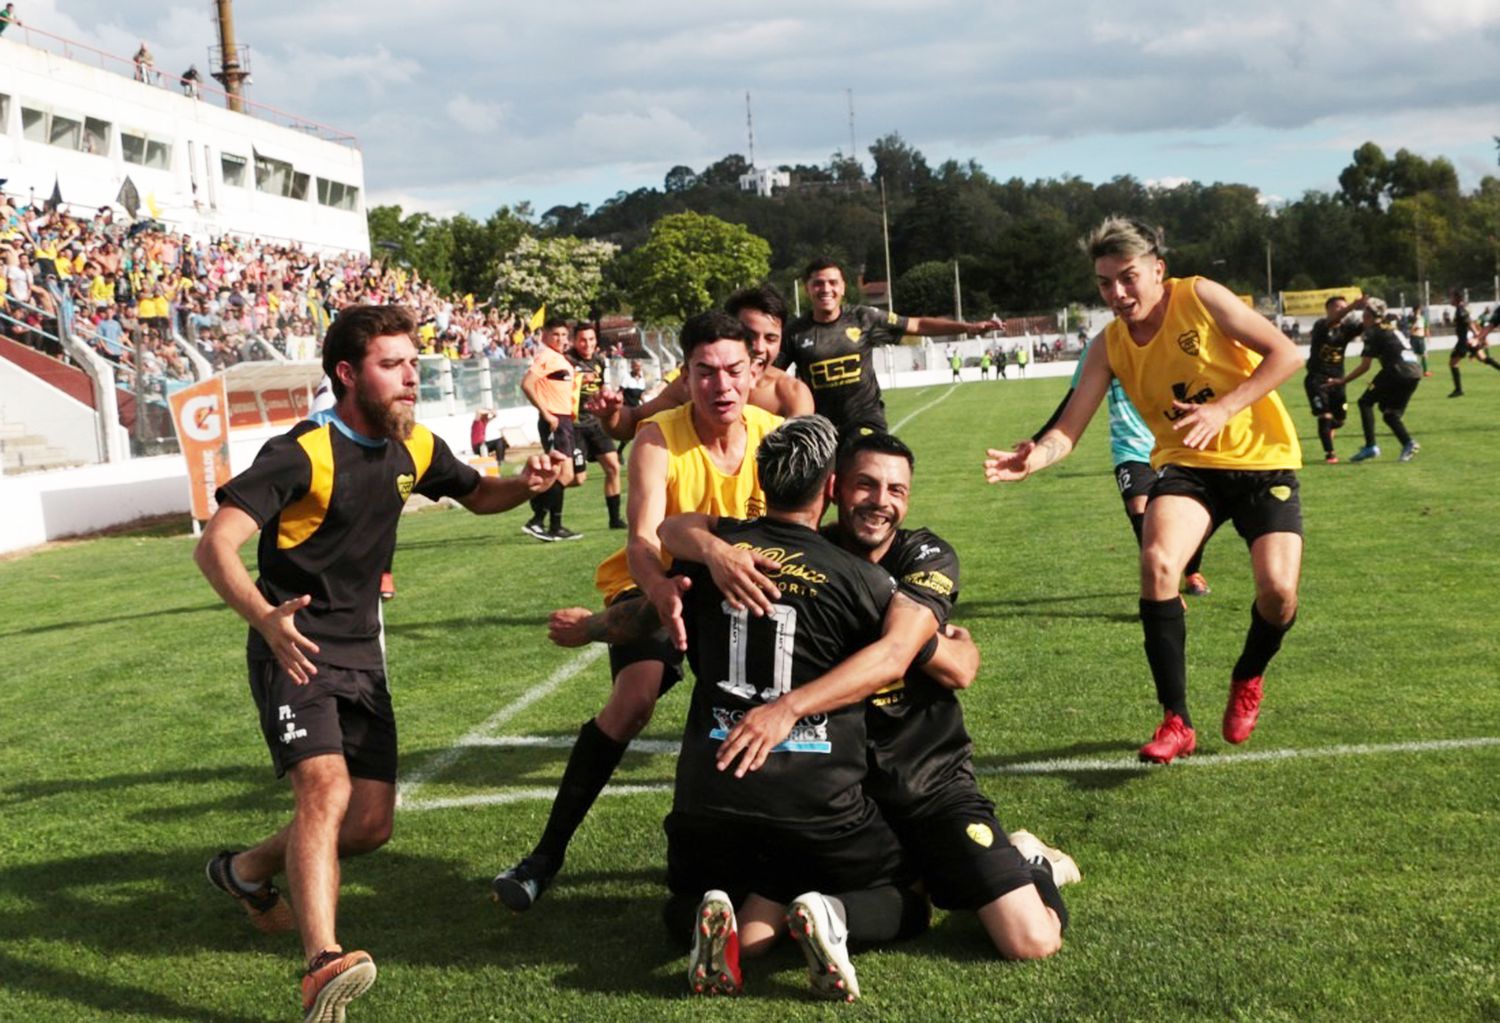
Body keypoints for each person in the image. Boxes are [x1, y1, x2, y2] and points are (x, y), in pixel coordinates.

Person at [193, 305, 563, 1023]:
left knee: (367, 826)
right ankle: (321, 962)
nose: (410, 378)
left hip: (364, 651)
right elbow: (215, 544)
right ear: (346, 373)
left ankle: (243, 871)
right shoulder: (302, 452)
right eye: (392, 365)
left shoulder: (416, 447)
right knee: (324, 793)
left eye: (413, 364)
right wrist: (265, 618)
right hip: (293, 646)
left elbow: (480, 494)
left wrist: (528, 483)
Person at [553, 416, 936, 1001]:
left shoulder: (711, 559)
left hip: (710, 801)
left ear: (760, 479)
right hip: (817, 807)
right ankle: (827, 912)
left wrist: (589, 628)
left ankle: (712, 917)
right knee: (913, 886)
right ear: (830, 489)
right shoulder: (865, 581)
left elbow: (665, 539)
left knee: (683, 904)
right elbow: (903, 658)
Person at [657, 430, 1075, 964]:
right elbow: (677, 526)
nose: (882, 502)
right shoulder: (811, 553)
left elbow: (920, 657)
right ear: (833, 488)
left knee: (1030, 942)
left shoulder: (924, 555)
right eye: (867, 485)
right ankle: (840, 906)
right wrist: (717, 553)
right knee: (758, 935)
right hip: (845, 785)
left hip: (926, 781)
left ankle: (1030, 861)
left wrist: (788, 708)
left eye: (897, 490)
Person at [985, 216, 1304, 765]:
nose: (1118, 293)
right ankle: (1176, 720)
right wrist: (1034, 457)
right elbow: (1069, 427)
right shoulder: (1108, 344)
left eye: (1128, 278)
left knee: (1277, 593)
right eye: (1106, 283)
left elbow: (1286, 353)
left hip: (1264, 463)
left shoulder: (1201, 295)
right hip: (1188, 465)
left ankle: (1249, 673)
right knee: (1158, 562)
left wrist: (1223, 408)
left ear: (1158, 269)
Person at [491, 310, 783, 911]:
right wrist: (660, 590)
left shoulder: (775, 435)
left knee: (763, 704)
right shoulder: (657, 437)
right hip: (651, 583)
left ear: (755, 372)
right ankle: (545, 855)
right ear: (686, 375)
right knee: (633, 701)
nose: (720, 386)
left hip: (732, 589)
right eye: (704, 373)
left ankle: (768, 859)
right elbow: (644, 539)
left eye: (732, 371)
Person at [1027, 335, 1212, 596]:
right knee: (1140, 509)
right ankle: (1165, 587)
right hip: (1129, 448)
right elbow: (1073, 399)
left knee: (1186, 514)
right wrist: (1037, 440)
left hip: (1172, 445)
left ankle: (1192, 571)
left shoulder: (1165, 336)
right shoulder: (1101, 347)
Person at [779, 258, 1000, 437]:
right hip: (820, 429)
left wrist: (968, 327)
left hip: (865, 421)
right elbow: (770, 377)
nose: (826, 289)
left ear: (843, 287)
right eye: (818, 283)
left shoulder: (863, 317)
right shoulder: (795, 332)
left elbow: (917, 324)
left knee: (866, 476)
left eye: (833, 282)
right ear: (807, 289)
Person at [593, 284, 812, 440]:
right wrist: (610, 414)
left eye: (771, 338)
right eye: (750, 335)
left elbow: (804, 462)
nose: (760, 347)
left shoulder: (791, 394)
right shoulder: (694, 385)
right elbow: (631, 424)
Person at [1331, 298, 1423, 463]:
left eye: (1364, 315)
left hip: (1397, 370)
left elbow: (1365, 366)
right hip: (1414, 372)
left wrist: (1342, 381)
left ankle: (1370, 446)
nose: (1363, 319)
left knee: (1365, 402)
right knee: (1390, 414)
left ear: (1369, 316)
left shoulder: (1373, 332)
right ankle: (1408, 443)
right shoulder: (1390, 327)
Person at [519, 317, 582, 541]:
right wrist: (546, 413)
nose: (561, 339)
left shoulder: (559, 359)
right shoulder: (547, 357)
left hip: (564, 420)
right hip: (555, 420)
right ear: (545, 336)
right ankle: (538, 521)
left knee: (565, 473)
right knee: (562, 472)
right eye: (556, 334)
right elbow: (527, 383)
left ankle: (553, 525)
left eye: (564, 335)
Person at [567, 322, 626, 529]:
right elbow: (560, 384)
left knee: (613, 468)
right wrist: (580, 379)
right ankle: (544, 490)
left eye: (591, 339)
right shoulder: (567, 360)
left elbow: (603, 386)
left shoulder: (600, 360)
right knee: (577, 478)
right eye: (583, 340)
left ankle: (615, 519)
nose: (587, 344)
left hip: (596, 422)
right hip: (574, 424)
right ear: (574, 341)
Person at [1303, 295, 1361, 464]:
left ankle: (1326, 432)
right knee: (1325, 416)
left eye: (1344, 306)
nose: (1342, 309)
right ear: (1328, 309)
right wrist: (1352, 306)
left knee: (1340, 421)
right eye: (1338, 307)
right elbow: (1336, 318)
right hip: (1317, 379)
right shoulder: (1321, 325)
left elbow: (1366, 325)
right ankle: (1330, 454)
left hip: (1338, 381)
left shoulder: (1346, 329)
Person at [1447, 290, 1500, 397]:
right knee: (1483, 359)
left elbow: (1469, 323)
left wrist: (1478, 337)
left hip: (1465, 341)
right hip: (1470, 339)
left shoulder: (1460, 310)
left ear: (1457, 298)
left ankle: (1458, 390)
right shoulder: (1462, 308)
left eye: (1451, 297)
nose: (1450, 299)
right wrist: (1478, 338)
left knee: (1453, 363)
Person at [1408, 302, 1431, 377]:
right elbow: (1410, 330)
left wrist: (1428, 336)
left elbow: (1426, 328)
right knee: (1413, 355)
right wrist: (1415, 324)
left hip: (1421, 338)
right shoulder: (1411, 318)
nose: (1419, 311)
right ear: (1415, 310)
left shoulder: (1423, 318)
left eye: (1419, 310)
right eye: (1418, 310)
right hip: (1414, 338)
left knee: (1423, 354)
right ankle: (1413, 371)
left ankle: (1425, 371)